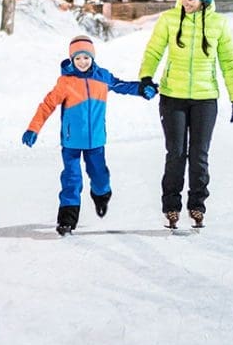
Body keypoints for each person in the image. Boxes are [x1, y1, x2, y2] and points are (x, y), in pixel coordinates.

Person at [139, 0, 233, 229]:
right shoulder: (169, 19)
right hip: (172, 96)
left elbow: (229, 62)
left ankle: (197, 206)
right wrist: (145, 76)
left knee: (199, 155)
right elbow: (154, 49)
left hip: (205, 99)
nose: (186, 2)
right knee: (175, 153)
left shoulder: (218, 23)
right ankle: (171, 207)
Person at [22, 34, 156, 235]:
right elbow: (47, 105)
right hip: (71, 142)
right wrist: (33, 128)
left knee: (100, 176)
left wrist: (142, 89)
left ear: (92, 57)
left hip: (96, 141)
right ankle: (67, 219)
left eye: (86, 57)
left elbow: (122, 86)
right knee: (71, 179)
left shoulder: (102, 77)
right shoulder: (66, 82)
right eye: (77, 58)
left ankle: (102, 195)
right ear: (72, 60)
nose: (82, 62)